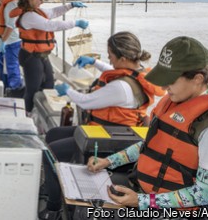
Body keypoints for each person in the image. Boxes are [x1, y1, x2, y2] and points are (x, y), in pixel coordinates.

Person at [85, 36, 208, 219]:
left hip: (177, 211)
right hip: (144, 191)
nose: (164, 86)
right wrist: (109, 162)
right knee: (88, 201)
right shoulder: (171, 101)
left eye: (170, 80)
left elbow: (203, 195)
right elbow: (149, 145)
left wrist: (141, 202)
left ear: (197, 79)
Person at [39, 31, 164, 220]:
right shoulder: (136, 73)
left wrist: (67, 91)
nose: (108, 58)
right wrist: (94, 62)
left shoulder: (121, 88)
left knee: (49, 152)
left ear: (122, 57)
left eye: (110, 55)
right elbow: (117, 73)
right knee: (53, 134)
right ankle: (53, 184)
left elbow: (86, 102)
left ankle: (54, 208)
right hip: (105, 130)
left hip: (108, 139)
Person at [14, 0, 89, 113]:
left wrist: (70, 5)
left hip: (42, 55)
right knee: (33, 88)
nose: (41, 2)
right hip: (31, 56)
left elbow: (53, 12)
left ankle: (41, 113)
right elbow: (50, 25)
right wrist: (75, 23)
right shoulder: (28, 16)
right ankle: (27, 115)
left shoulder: (38, 11)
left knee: (49, 84)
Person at [0, 0, 23, 96]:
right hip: (11, 40)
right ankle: (6, 87)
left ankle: (14, 91)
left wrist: (3, 41)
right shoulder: (10, 4)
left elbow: (10, 26)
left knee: (12, 66)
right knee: (7, 66)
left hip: (13, 42)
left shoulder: (10, 5)